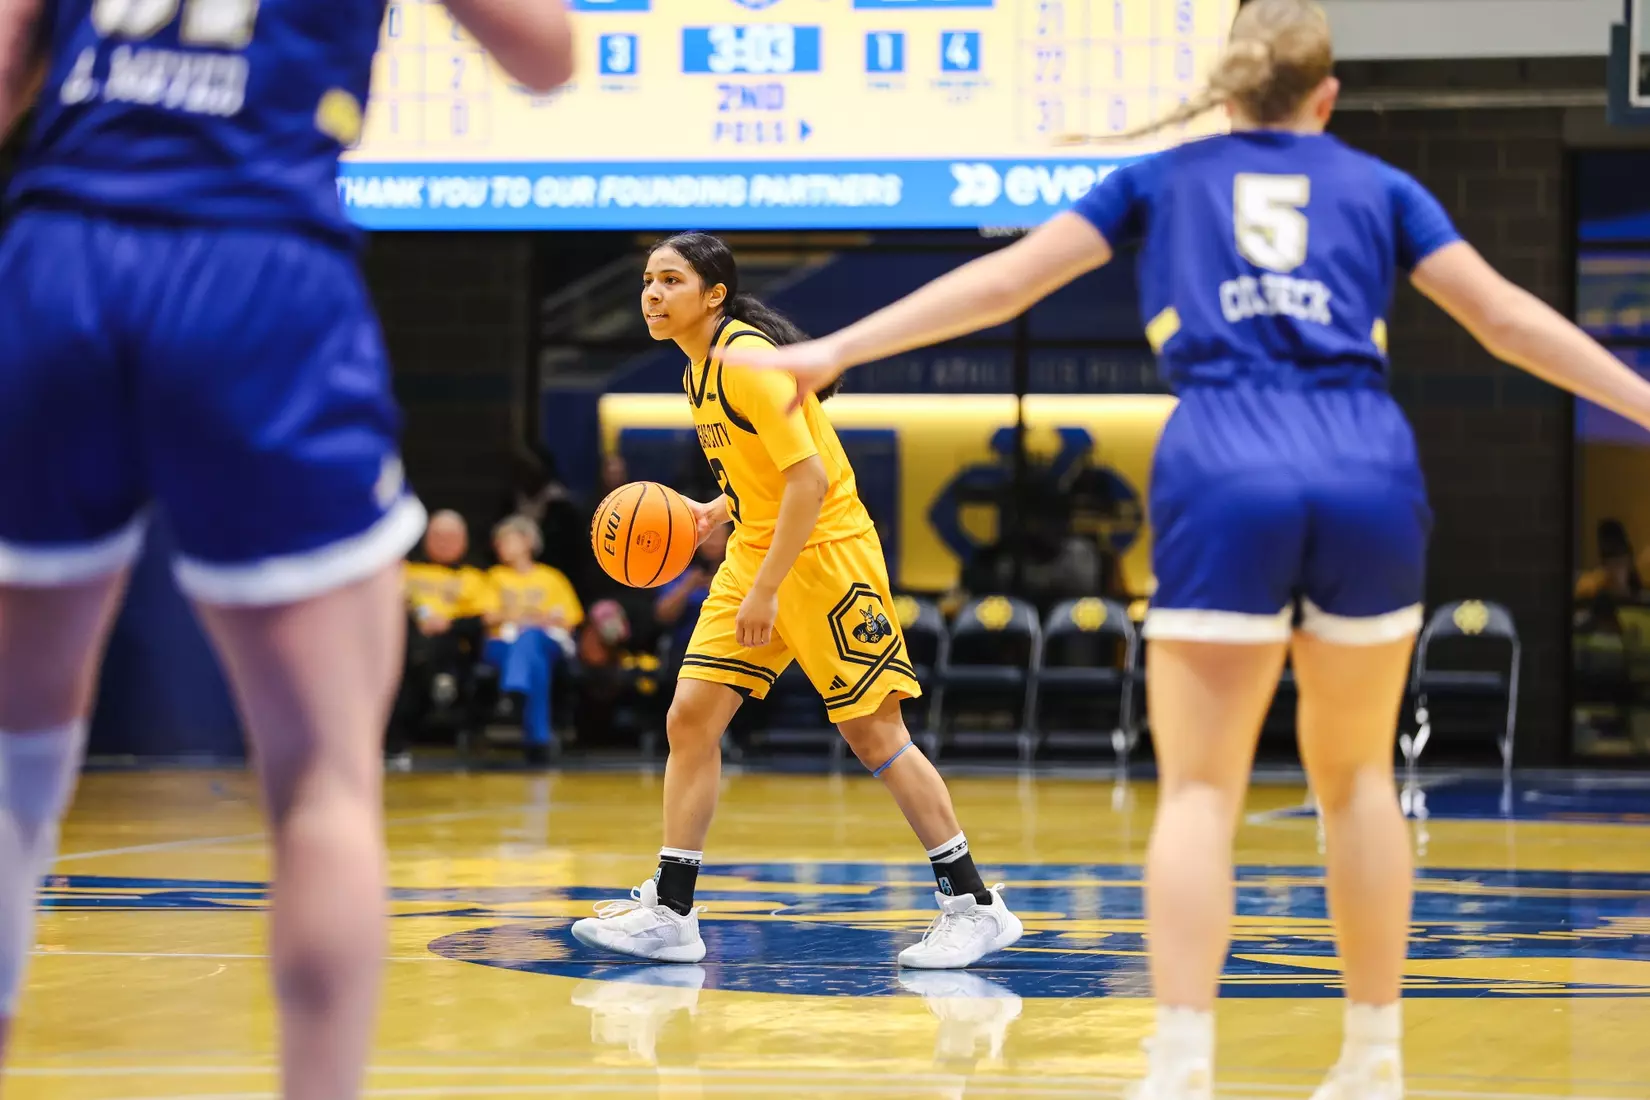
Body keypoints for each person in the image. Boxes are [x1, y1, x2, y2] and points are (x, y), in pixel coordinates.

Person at [714, 1, 1650, 1096]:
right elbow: (1505, 319)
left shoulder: (1158, 180)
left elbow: (1007, 281)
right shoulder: (1382, 187)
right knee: (1355, 785)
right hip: (1366, 469)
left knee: (1203, 792)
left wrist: (836, 347)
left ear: (1225, 86)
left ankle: (1182, 1062)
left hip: (1224, 464)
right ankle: (1374, 1061)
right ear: (1326, 95)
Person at [0, 0, 574, 1095]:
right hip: (256, 261)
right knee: (322, 780)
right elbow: (547, 55)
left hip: (60, 249)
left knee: (13, 764)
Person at [570, 232, 1023, 969]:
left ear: (713, 295)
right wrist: (718, 511)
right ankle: (673, 910)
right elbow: (768, 475)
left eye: (670, 281)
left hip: (825, 558)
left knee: (876, 736)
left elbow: (809, 483)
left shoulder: (745, 360)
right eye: (648, 281)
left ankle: (973, 903)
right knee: (691, 716)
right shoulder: (697, 372)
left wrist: (769, 590)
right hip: (757, 543)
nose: (652, 295)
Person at [390, 510, 491, 766]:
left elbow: (486, 617)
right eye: (437, 535)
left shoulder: (474, 577)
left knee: (420, 654)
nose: (443, 541)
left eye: (451, 536)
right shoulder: (407, 571)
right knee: (407, 649)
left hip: (453, 643)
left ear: (464, 541)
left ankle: (397, 742)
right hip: (407, 639)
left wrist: (449, 624)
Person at [484, 515, 583, 765]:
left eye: (506, 539)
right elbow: (486, 616)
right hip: (501, 645)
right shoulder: (493, 577)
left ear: (527, 541)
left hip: (546, 642)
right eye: (497, 542)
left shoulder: (552, 578)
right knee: (534, 661)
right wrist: (534, 616)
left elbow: (570, 620)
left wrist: (523, 620)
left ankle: (513, 692)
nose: (499, 546)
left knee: (531, 639)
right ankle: (538, 740)